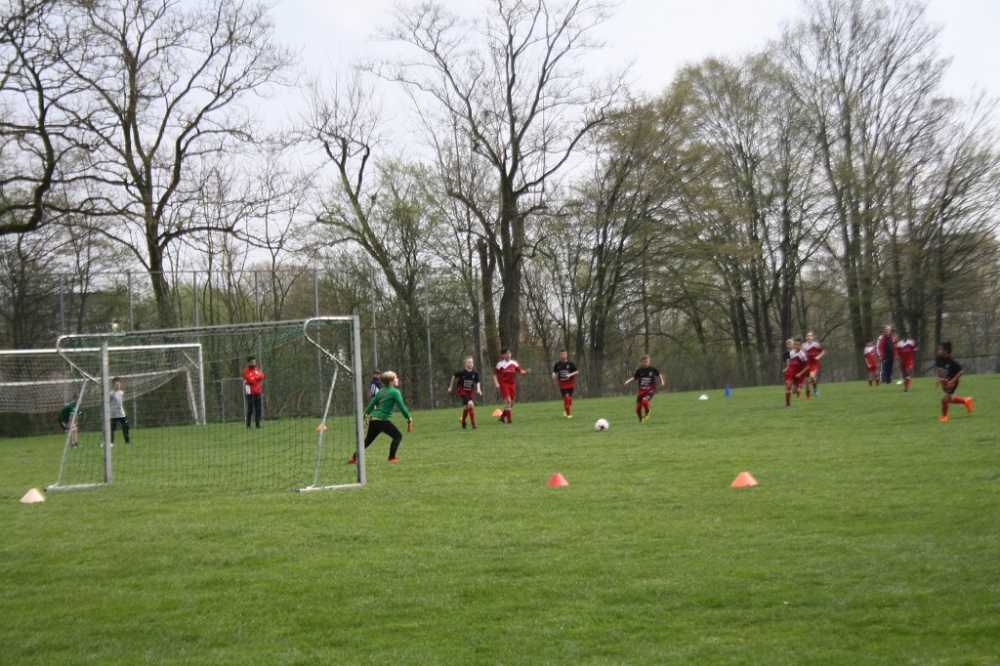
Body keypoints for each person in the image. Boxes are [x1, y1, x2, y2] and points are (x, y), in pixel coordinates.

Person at [350, 370, 412, 463]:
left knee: (368, 440)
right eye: (395, 378)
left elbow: (372, 404)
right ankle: (392, 458)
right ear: (390, 381)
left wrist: (365, 415)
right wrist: (409, 419)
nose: (397, 379)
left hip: (373, 419)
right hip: (383, 420)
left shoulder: (381, 391)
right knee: (398, 436)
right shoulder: (395, 392)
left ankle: (353, 457)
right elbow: (402, 407)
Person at [935, 341, 972, 422]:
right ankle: (966, 401)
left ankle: (944, 416)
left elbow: (961, 371)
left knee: (944, 399)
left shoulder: (952, 362)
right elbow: (938, 367)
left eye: (940, 349)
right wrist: (937, 378)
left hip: (952, 383)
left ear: (946, 351)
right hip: (944, 382)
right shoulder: (939, 358)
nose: (938, 351)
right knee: (948, 399)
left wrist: (952, 381)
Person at [493, 347, 531, 424]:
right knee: (508, 402)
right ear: (503, 355)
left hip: (512, 385)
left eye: (509, 353)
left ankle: (502, 417)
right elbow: (495, 375)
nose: (508, 355)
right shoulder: (500, 364)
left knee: (511, 403)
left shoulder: (514, 363)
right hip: (504, 384)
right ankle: (509, 421)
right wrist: (496, 383)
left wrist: (526, 372)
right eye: (506, 354)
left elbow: (521, 371)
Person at [624, 355, 665, 422]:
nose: (646, 363)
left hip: (650, 390)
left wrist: (662, 382)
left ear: (649, 362)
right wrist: (628, 381)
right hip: (641, 391)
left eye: (647, 362)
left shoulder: (652, 369)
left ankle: (647, 411)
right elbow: (634, 377)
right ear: (641, 363)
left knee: (644, 401)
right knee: (638, 408)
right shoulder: (639, 371)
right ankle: (641, 419)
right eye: (644, 362)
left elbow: (659, 374)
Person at [447, 356, 482, 429]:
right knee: (470, 404)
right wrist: (450, 387)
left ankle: (463, 421)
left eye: (472, 362)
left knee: (467, 407)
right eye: (469, 362)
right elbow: (454, 377)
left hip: (470, 392)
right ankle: (473, 423)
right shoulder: (462, 373)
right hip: (462, 391)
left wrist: (478, 389)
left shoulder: (474, 373)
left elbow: (477, 381)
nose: (471, 363)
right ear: (465, 364)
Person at [551, 349, 579, 418]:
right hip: (562, 383)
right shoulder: (557, 364)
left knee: (570, 400)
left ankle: (565, 410)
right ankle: (569, 415)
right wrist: (553, 374)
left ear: (567, 355)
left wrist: (570, 375)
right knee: (566, 397)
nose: (562, 356)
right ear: (559, 355)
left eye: (564, 354)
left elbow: (576, 372)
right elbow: (554, 371)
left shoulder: (570, 364)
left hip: (570, 383)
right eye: (561, 354)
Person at [783, 338, 809, 407]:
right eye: (795, 345)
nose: (796, 346)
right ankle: (787, 403)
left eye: (798, 345)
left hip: (799, 374)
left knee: (795, 391)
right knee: (788, 386)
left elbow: (807, 367)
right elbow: (790, 362)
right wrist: (787, 368)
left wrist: (800, 373)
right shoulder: (791, 353)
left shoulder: (802, 355)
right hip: (791, 372)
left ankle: (799, 388)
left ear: (801, 346)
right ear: (793, 345)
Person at [802, 331, 826, 399]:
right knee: (807, 381)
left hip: (814, 363)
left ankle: (815, 390)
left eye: (810, 336)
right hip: (806, 365)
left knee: (812, 376)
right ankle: (808, 397)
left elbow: (823, 351)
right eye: (807, 336)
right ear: (806, 338)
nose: (809, 337)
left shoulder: (816, 345)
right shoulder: (803, 346)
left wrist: (818, 357)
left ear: (813, 337)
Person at [242, 355, 264, 430]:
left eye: (254, 362)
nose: (253, 363)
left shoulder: (257, 369)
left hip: (257, 391)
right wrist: (256, 378)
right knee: (250, 409)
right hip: (250, 392)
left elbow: (262, 376)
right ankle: (248, 425)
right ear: (248, 363)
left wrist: (255, 378)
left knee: (258, 409)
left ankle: (258, 424)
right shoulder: (246, 371)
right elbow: (251, 381)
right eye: (251, 362)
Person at [109, 377, 130, 444]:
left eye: (119, 384)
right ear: (113, 385)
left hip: (121, 413)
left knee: (125, 427)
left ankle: (127, 441)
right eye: (116, 384)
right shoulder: (111, 394)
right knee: (112, 429)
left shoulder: (121, 393)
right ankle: (111, 442)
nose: (118, 386)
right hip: (113, 414)